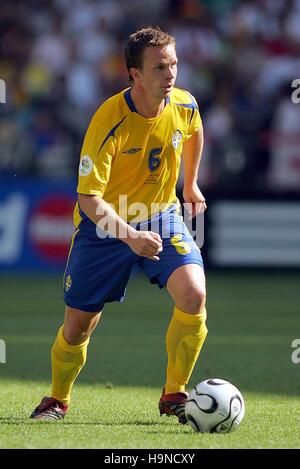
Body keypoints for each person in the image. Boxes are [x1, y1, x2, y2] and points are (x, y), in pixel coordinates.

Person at [30, 26, 208, 424]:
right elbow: (89, 199)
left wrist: (191, 183)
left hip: (162, 215)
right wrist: (129, 237)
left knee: (194, 296)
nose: (171, 74)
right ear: (135, 74)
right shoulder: (109, 119)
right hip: (104, 227)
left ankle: (175, 393)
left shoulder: (184, 105)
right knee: (78, 326)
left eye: (174, 64)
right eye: (160, 67)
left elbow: (194, 130)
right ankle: (57, 399)